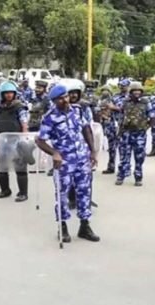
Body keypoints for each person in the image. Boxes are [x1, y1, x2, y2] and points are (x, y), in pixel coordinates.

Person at [35, 84, 100, 243]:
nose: (65, 100)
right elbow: (40, 140)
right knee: (62, 195)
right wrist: (54, 153)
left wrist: (92, 151)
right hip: (64, 163)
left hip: (82, 159)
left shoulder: (77, 111)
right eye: (61, 99)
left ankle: (84, 226)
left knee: (85, 192)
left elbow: (86, 130)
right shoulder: (49, 117)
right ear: (54, 101)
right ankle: (62, 227)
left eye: (66, 96)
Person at [0, 80, 30, 202]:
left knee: (20, 168)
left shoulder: (19, 107)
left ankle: (23, 193)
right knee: (2, 168)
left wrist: (24, 138)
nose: (9, 95)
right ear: (2, 94)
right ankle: (5, 190)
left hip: (17, 141)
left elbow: (24, 123)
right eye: (6, 93)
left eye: (11, 93)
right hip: (4, 142)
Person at [116, 82, 153, 186]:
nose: (137, 93)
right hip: (126, 133)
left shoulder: (146, 103)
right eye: (134, 91)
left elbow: (152, 117)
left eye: (139, 91)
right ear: (131, 92)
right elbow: (121, 116)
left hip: (139, 134)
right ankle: (121, 176)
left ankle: (138, 177)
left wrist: (146, 127)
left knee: (139, 157)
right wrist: (119, 131)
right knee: (124, 156)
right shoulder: (125, 102)